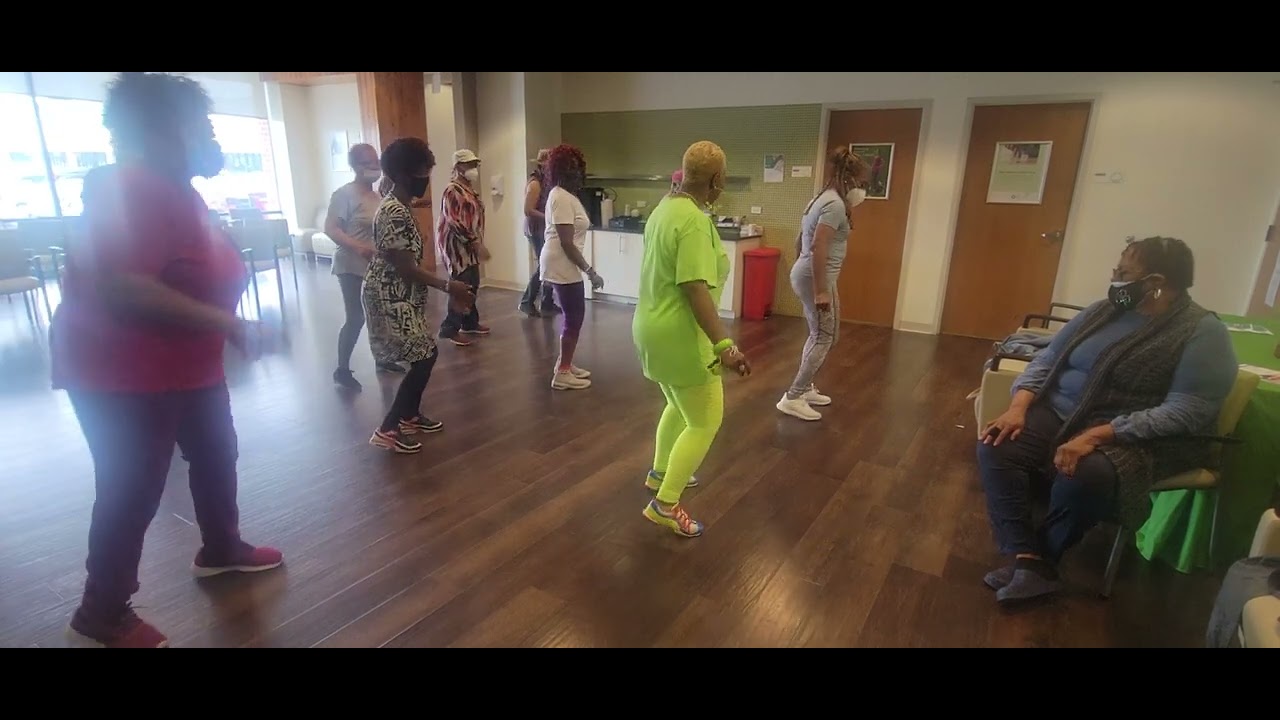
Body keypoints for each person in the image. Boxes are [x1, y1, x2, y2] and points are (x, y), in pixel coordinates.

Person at [51, 72, 282, 648]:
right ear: (164, 131)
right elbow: (123, 287)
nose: (213, 138)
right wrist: (228, 323)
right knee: (132, 486)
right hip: (124, 372)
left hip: (188, 365)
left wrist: (221, 322)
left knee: (216, 453)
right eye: (203, 125)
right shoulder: (129, 188)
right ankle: (101, 612)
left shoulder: (180, 191)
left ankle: (221, 547)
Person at [978, 237, 1238, 605]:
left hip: (1131, 433)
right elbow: (1047, 359)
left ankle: (1044, 560)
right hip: (1062, 412)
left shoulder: (1202, 332)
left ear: (1156, 282)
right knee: (998, 443)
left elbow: (1189, 409)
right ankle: (1026, 556)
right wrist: (1018, 407)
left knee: (1085, 474)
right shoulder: (1102, 311)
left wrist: (1099, 434)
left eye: (1124, 273)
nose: (1114, 279)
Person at [633, 140, 751, 538]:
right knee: (705, 420)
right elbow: (694, 287)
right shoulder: (695, 222)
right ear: (716, 179)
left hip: (650, 327)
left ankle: (659, 473)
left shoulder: (664, 209)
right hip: (682, 335)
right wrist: (724, 346)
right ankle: (665, 504)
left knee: (677, 404)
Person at [365, 138, 475, 453]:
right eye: (422, 172)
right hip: (388, 295)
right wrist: (449, 286)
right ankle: (388, 429)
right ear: (403, 174)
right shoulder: (393, 212)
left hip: (400, 294)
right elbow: (405, 268)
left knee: (424, 353)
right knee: (424, 355)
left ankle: (409, 415)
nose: (426, 179)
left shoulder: (401, 206)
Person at [777, 147, 869, 421]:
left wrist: (801, 266)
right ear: (848, 178)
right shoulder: (835, 204)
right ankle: (793, 397)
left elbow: (800, 238)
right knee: (824, 336)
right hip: (817, 278)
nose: (861, 189)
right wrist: (819, 291)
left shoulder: (821, 198)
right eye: (860, 182)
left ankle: (804, 388)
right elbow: (818, 245)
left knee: (823, 334)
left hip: (813, 275)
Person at [326, 143, 402, 390]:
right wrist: (359, 247)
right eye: (366, 163)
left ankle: (383, 359)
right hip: (350, 265)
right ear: (355, 166)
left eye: (375, 161)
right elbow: (331, 229)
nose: (373, 167)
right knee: (356, 317)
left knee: (379, 313)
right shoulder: (343, 195)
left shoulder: (377, 196)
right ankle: (342, 370)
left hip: (375, 266)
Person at [540, 144, 604, 390]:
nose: (577, 173)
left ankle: (564, 364)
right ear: (561, 170)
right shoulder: (561, 197)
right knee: (574, 316)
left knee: (573, 316)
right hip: (561, 261)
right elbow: (566, 243)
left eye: (578, 168)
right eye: (572, 168)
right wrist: (590, 271)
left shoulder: (564, 195)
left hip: (561, 260)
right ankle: (563, 373)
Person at [437, 149, 490, 347]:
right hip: (456, 246)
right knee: (462, 284)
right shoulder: (452, 190)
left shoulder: (467, 189)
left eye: (475, 165)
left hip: (469, 244)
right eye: (469, 165)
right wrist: (473, 241)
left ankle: (470, 322)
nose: (473, 169)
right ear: (459, 167)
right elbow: (453, 220)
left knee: (472, 281)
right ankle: (449, 328)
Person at [519, 149, 559, 317]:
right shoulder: (535, 184)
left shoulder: (547, 182)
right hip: (536, 228)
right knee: (544, 266)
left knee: (550, 264)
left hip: (545, 228)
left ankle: (547, 302)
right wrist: (549, 217)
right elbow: (528, 210)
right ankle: (526, 302)